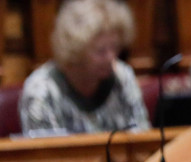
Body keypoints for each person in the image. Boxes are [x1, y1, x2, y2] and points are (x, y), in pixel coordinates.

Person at [18, 0, 150, 135]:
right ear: (75, 51)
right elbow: (45, 153)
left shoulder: (122, 76)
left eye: (115, 47)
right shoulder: (41, 90)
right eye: (101, 51)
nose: (111, 58)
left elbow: (143, 138)